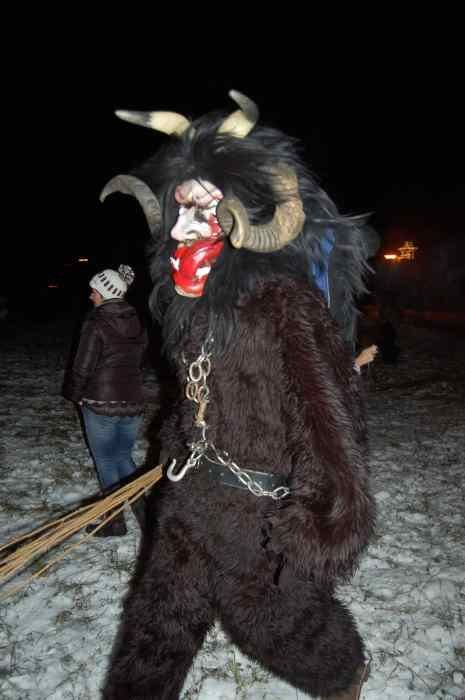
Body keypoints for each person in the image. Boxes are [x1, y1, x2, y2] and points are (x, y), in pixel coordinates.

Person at [63, 264, 148, 536]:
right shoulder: (137, 320)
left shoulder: (96, 322)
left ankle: (113, 522)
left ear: (104, 292)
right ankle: (147, 517)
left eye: (94, 291)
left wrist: (74, 394)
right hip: (134, 402)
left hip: (101, 403)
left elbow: (82, 366)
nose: (91, 296)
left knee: (106, 461)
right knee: (122, 456)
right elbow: (138, 361)